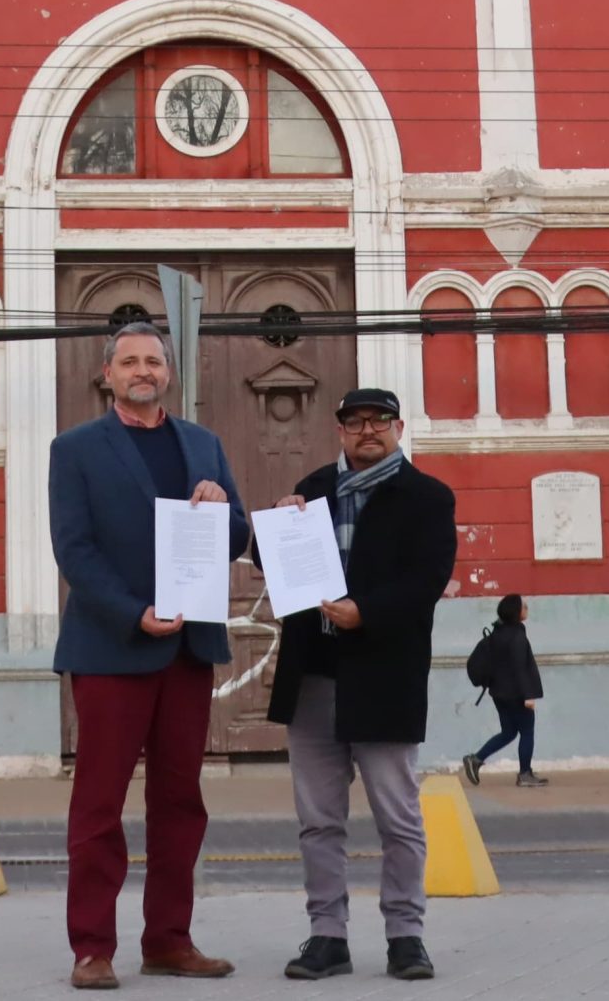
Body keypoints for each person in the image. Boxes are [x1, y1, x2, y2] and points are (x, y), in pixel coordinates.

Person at [49, 319, 250, 990]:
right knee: (99, 804)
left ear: (169, 374)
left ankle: (169, 938)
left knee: (180, 802)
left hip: (188, 650)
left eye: (153, 361)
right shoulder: (74, 448)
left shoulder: (203, 443)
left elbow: (237, 535)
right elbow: (74, 549)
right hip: (112, 647)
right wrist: (133, 610)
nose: (143, 370)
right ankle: (92, 948)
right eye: (129, 360)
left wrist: (223, 506)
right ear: (107, 373)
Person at [264, 387, 459, 982]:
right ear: (339, 429)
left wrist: (364, 613)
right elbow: (278, 566)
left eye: (380, 421)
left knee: (398, 817)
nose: (368, 430)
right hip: (315, 675)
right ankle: (328, 936)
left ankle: (406, 936)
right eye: (356, 422)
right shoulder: (316, 488)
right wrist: (274, 527)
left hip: (385, 677)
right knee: (318, 820)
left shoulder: (427, 497)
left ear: (399, 428)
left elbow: (427, 579)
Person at [460, 594, 546, 786]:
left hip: (499, 693)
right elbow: (519, 668)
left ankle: (476, 759)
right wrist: (528, 695)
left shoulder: (498, 633)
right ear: (516, 612)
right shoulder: (517, 636)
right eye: (524, 606)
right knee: (527, 731)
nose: (527, 608)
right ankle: (525, 774)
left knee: (508, 732)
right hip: (516, 694)